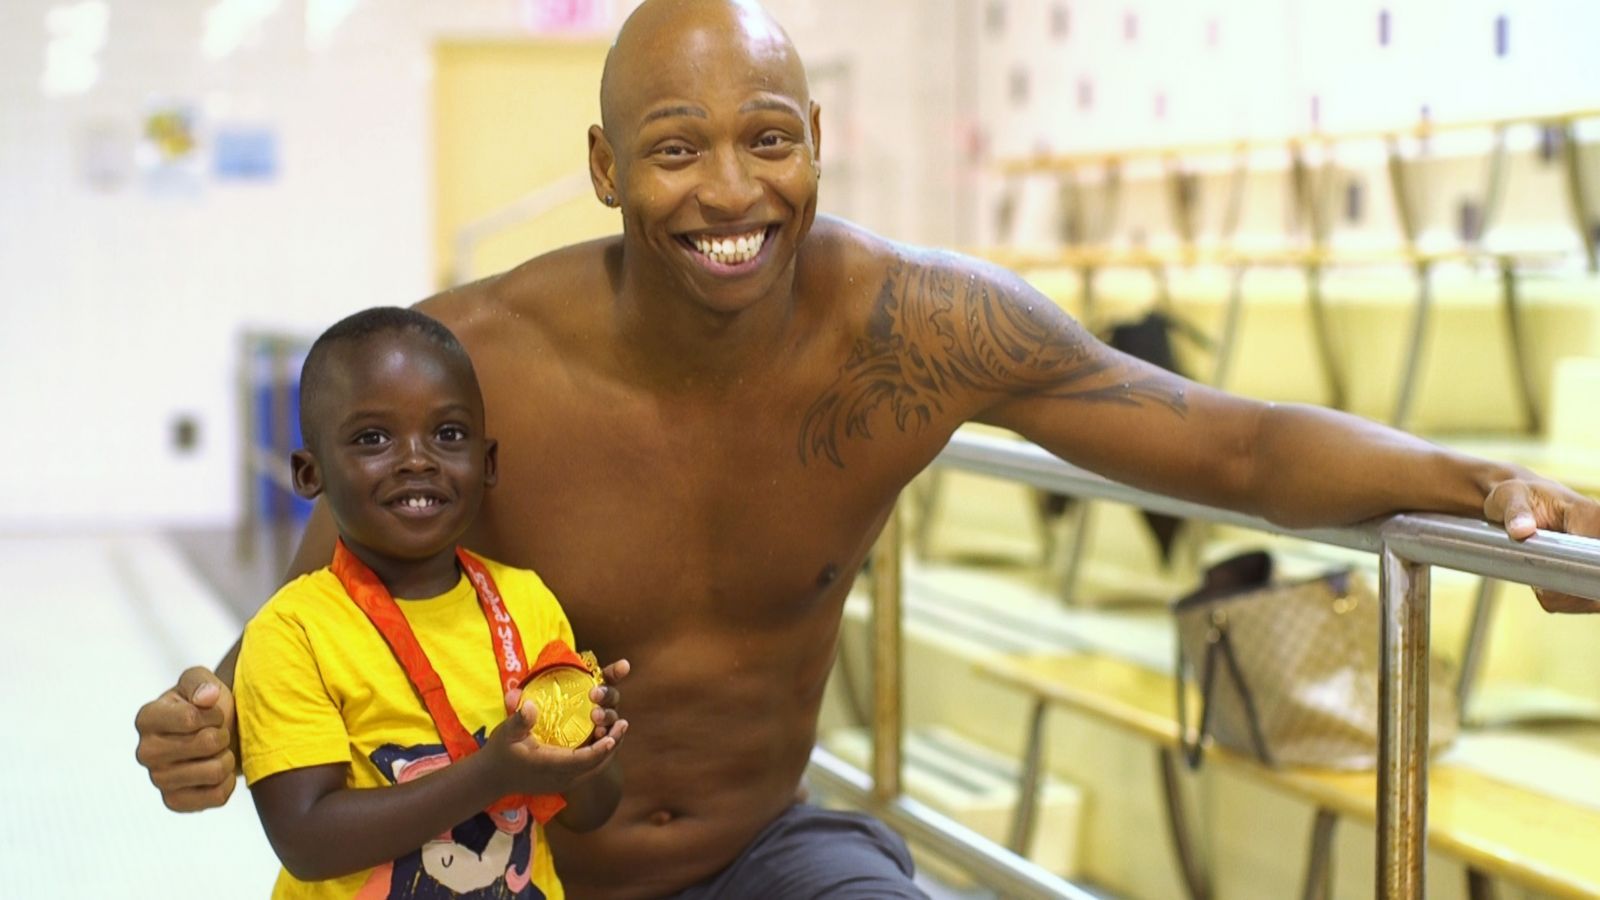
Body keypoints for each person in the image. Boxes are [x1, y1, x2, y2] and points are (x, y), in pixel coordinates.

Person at [135, 1, 1600, 897]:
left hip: (768, 856)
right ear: (602, 170)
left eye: (767, 139)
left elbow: (1224, 446)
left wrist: (1479, 486)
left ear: (818, 139)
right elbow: (318, 626)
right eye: (674, 147)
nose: (731, 191)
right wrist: (215, 721)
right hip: (522, 874)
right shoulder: (480, 367)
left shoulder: (916, 330)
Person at [233, 307, 630, 898]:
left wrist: (585, 744)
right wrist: (492, 774)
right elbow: (306, 839)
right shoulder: (294, 632)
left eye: (448, 434)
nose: (417, 458)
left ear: (487, 463)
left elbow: (592, 811)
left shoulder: (526, 601)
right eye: (373, 438)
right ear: (309, 474)